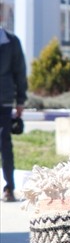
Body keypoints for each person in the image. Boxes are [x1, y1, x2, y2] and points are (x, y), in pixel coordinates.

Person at [0, 28, 27, 202]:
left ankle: (9, 187)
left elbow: (20, 71)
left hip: (4, 101)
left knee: (4, 144)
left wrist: (21, 100)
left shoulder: (11, 41)